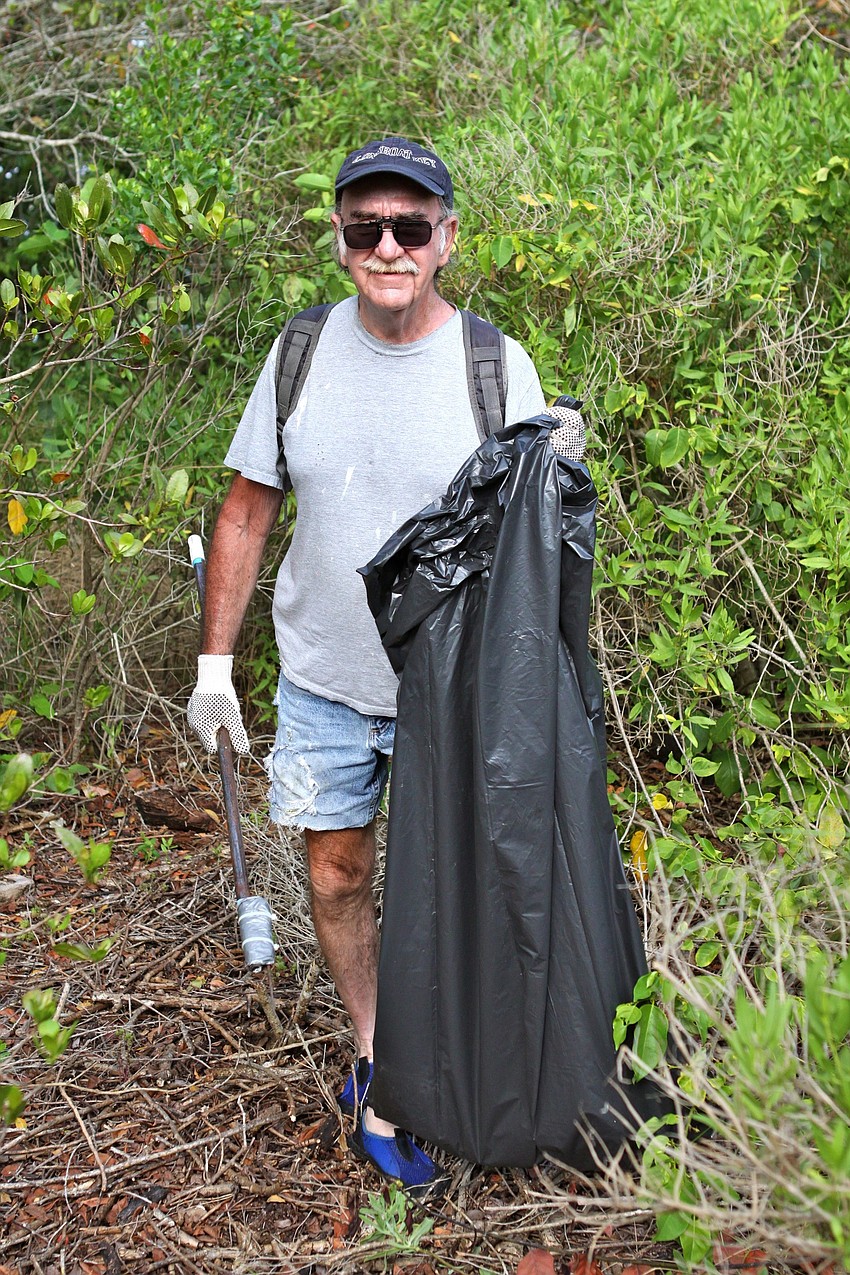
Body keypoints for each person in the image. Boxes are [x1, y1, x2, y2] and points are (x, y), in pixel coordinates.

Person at [187, 136, 546, 1194]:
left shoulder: (496, 363)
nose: (387, 246)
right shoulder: (298, 354)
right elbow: (249, 510)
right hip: (323, 679)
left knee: (456, 887)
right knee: (339, 872)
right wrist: (216, 666)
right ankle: (379, 1053)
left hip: (458, 690)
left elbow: (531, 538)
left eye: (410, 226)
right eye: (364, 228)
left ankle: (457, 1062)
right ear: (340, 241)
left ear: (445, 239)